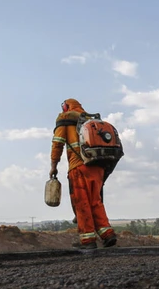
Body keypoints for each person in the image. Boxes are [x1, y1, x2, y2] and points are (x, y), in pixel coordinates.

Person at [49, 99, 117, 249]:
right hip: (98, 166)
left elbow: (57, 144)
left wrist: (53, 166)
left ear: (66, 107)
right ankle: (107, 234)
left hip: (78, 168)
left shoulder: (65, 120)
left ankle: (87, 241)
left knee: (81, 203)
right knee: (96, 201)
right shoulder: (89, 120)